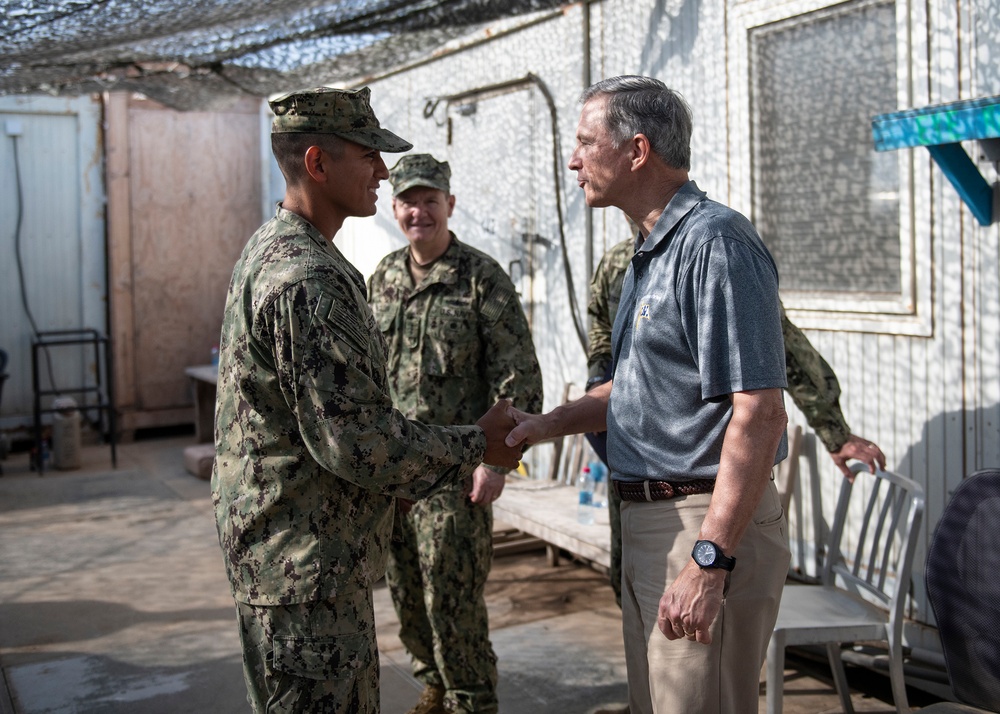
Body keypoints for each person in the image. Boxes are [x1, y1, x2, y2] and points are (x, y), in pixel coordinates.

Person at [211, 87, 523, 714]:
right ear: (319, 164)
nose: (383, 172)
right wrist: (476, 444)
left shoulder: (286, 252)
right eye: (369, 155)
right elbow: (353, 441)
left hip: (317, 551)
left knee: (454, 609)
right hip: (307, 569)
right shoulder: (308, 277)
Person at [506, 75, 789, 713]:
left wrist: (710, 559)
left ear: (636, 151)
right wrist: (543, 424)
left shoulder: (714, 244)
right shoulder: (651, 250)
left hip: (700, 519)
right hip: (650, 519)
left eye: (584, 142)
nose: (573, 160)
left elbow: (760, 411)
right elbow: (634, 388)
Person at [586, 236, 887, 608]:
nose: (578, 173)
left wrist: (834, 432)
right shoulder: (620, 264)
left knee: (705, 617)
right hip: (633, 469)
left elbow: (778, 347)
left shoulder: (711, 251)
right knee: (634, 591)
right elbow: (601, 332)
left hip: (699, 481)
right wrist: (597, 388)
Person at [366, 153, 543, 714]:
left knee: (453, 596)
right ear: (395, 208)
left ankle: (471, 698)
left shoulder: (480, 278)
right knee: (405, 590)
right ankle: (433, 682)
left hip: (456, 477)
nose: (420, 212)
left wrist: (497, 465)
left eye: (430, 200)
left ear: (450, 205)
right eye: (409, 201)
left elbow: (518, 379)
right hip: (397, 475)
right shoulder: (383, 278)